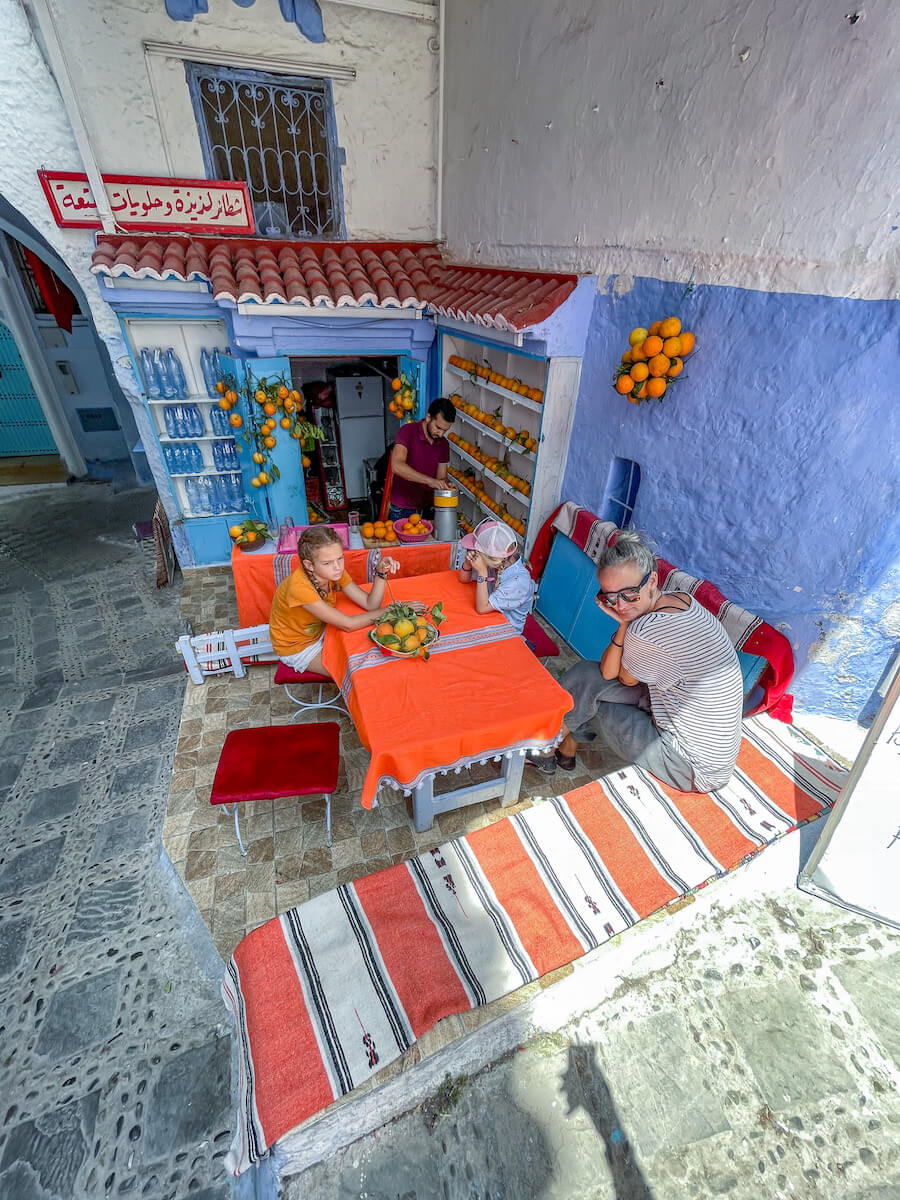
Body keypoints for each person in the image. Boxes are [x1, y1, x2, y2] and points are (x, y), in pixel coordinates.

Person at [530, 528, 743, 791]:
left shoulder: (647, 631)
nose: (620, 606)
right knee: (587, 675)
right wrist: (624, 626)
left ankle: (549, 744)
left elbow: (620, 677)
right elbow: (606, 674)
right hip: (708, 749)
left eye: (629, 593)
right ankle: (560, 745)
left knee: (594, 702)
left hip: (689, 766)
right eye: (609, 597)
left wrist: (626, 626)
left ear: (652, 580)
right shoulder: (682, 599)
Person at [269, 526, 398, 680]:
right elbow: (348, 624)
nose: (338, 567)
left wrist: (381, 572)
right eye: (327, 563)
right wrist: (391, 610)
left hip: (323, 630)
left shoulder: (334, 572)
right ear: (310, 565)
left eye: (340, 558)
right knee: (357, 674)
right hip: (298, 647)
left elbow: (371, 605)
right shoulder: (299, 587)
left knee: (373, 649)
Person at [457, 519, 534, 636]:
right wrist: (468, 563)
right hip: (490, 617)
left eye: (475, 551)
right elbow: (464, 579)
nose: (472, 552)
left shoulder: (519, 581)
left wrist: (482, 572)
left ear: (491, 558)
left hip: (506, 632)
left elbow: (482, 608)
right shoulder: (495, 563)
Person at [388, 397, 457, 522]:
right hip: (402, 509)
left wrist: (445, 485)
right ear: (428, 417)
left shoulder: (443, 444)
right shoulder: (407, 431)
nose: (441, 434)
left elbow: (441, 476)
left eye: (445, 431)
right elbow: (397, 466)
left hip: (429, 509)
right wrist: (430, 481)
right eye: (438, 427)